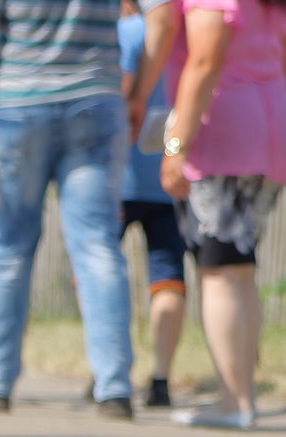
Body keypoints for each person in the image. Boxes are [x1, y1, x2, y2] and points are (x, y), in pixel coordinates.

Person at [0, 0, 137, 418]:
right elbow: (162, 15)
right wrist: (139, 92)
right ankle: (114, 389)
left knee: (8, 248)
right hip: (97, 99)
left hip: (19, 104)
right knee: (97, 247)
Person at [156, 0, 286, 428]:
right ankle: (241, 396)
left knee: (218, 271)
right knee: (241, 269)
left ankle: (234, 402)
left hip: (226, 132)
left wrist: (175, 147)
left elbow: (204, 59)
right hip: (271, 126)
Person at [115, 0, 187, 408]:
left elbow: (123, 94)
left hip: (119, 176)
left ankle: (108, 370)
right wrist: (174, 150)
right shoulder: (187, 34)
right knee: (168, 275)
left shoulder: (128, 33)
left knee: (101, 270)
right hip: (168, 174)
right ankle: (161, 378)